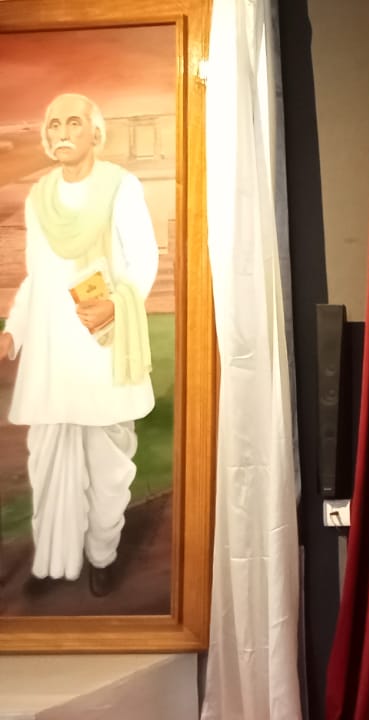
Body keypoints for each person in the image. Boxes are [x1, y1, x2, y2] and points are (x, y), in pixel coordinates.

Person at [0, 92, 158, 596]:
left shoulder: (121, 187)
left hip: (100, 346)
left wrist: (115, 305)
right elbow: (37, 277)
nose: (61, 132)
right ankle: (57, 561)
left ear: (96, 133)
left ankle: (101, 555)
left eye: (73, 122)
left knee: (108, 466)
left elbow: (143, 260)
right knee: (47, 462)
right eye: (53, 124)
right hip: (50, 357)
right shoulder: (39, 196)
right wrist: (13, 331)